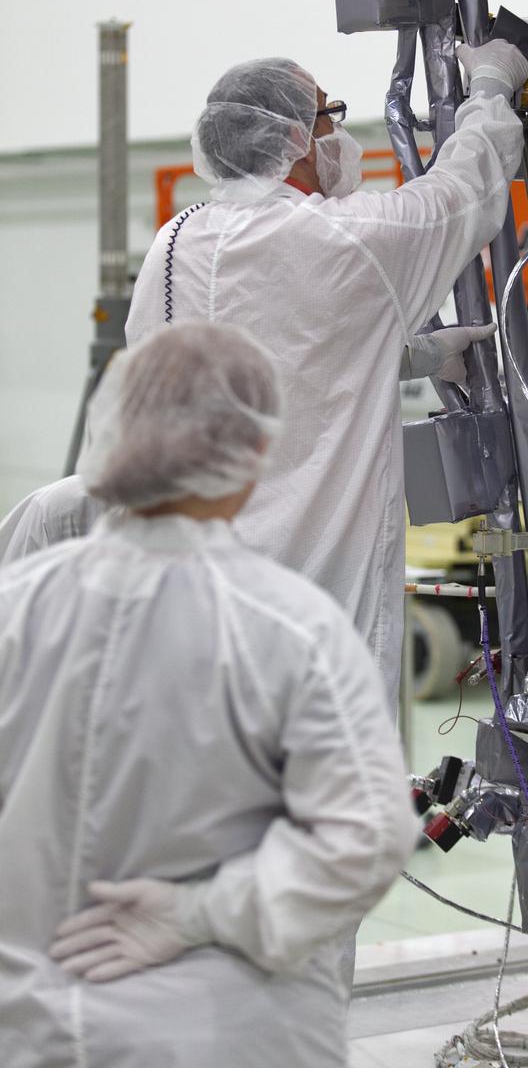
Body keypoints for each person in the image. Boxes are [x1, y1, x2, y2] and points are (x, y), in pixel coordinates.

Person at [0, 322, 418, 1068]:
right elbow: (366, 839)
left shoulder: (15, 606)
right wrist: (192, 914)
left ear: (112, 433)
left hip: (34, 1029)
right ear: (256, 453)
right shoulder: (292, 628)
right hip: (225, 1035)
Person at [125, 39, 528, 709]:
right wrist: (489, 89)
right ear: (294, 136)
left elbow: (274, 359)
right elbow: (461, 196)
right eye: (328, 115)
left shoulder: (175, 245)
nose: (337, 134)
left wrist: (415, 357)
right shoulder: (345, 239)